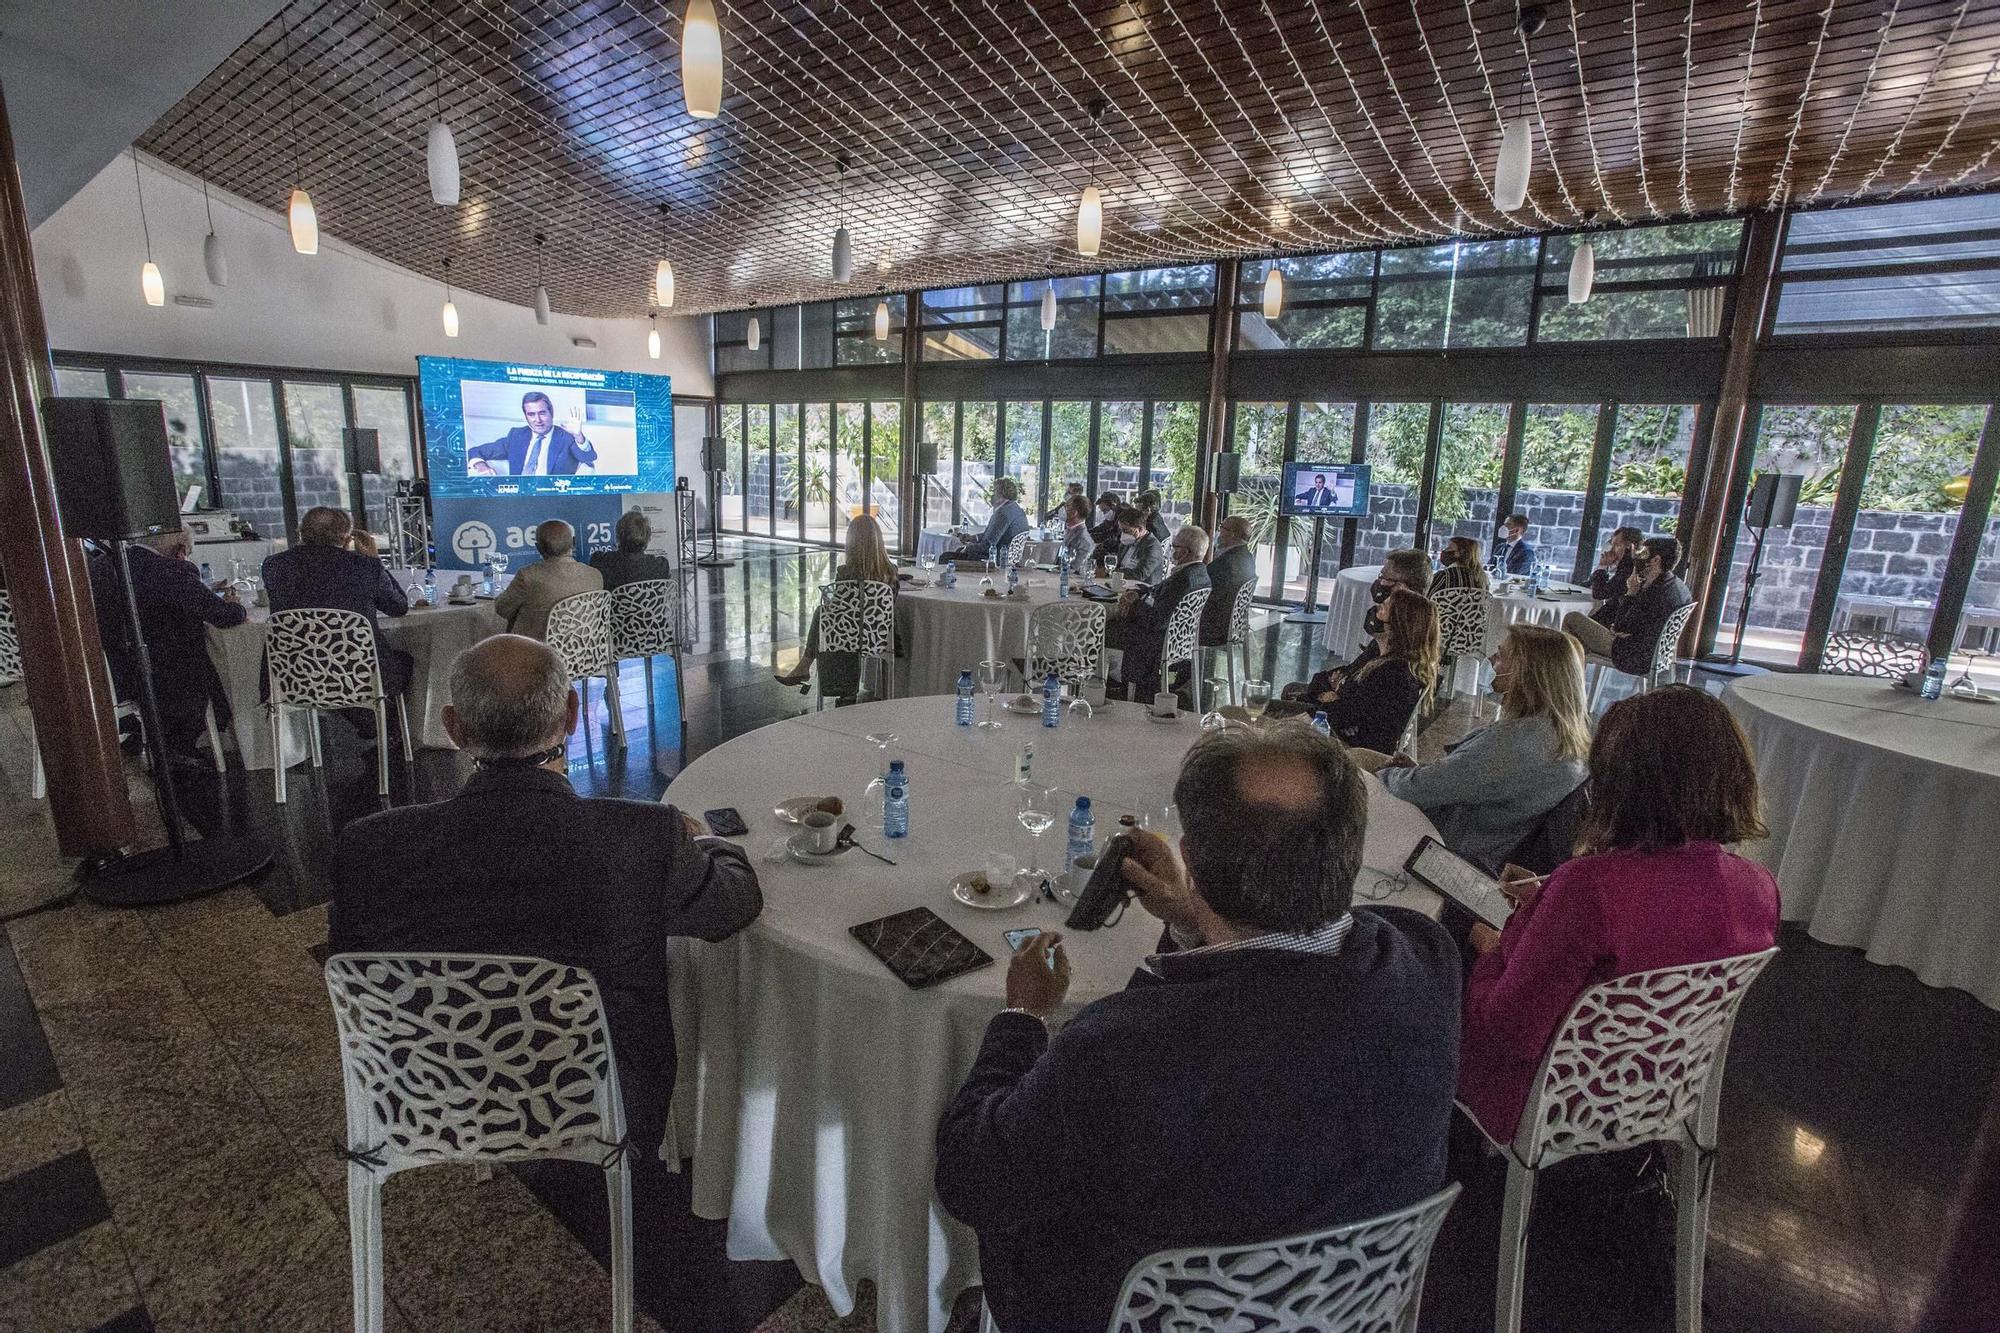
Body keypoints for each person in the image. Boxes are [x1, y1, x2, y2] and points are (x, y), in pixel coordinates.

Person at [934, 726, 1460, 1333]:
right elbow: (1286, 981)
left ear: (1196, 865)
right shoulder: (1424, 954)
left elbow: (972, 1180)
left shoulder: (1123, 1049)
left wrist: (1022, 1017)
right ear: (1346, 849)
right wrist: (1192, 917)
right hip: (1349, 1303)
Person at [327, 634, 762, 1157]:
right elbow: (733, 906)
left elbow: (355, 978)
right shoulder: (643, 836)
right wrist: (710, 842)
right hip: (601, 1101)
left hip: (430, 1096)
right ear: (572, 713)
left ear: (454, 728)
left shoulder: (368, 848)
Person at [1457, 685, 1780, 1145]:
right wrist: (1548, 902)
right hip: (1657, 1086)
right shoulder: (1758, 887)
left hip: (1551, 1101)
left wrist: (1493, 945)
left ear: (1619, 785)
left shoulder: (1588, 890)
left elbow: (1506, 1033)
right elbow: (1658, 931)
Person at [1365, 623, 1591, 870]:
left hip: (1452, 848)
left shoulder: (1518, 743)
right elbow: (1466, 777)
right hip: (1481, 832)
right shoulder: (1560, 732)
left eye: (1501, 656)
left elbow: (1422, 788)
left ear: (1525, 673)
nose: (1492, 660)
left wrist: (1380, 776)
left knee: (1355, 766)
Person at [103, 530, 245, 765]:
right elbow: (222, 616)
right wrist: (235, 606)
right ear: (179, 549)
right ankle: (187, 747)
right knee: (215, 665)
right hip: (164, 679)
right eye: (188, 552)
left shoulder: (108, 564)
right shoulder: (173, 570)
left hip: (115, 674)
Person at [262, 507, 413, 719]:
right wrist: (373, 559)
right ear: (345, 538)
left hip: (293, 678)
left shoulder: (274, 566)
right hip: (357, 678)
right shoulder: (363, 567)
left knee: (332, 667)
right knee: (402, 661)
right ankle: (387, 735)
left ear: (301, 533)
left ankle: (368, 727)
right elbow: (398, 607)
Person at [1268, 587, 1438, 751]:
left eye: (1382, 609)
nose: (1375, 612)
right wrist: (1333, 697)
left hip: (1345, 744)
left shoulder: (1393, 673)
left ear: (1397, 624)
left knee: (1262, 712)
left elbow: (1342, 716)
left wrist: (1334, 697)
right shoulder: (1379, 654)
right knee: (1278, 702)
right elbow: (1335, 681)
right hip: (1333, 724)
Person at [1281, 548, 1430, 703]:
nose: (1378, 582)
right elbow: (1357, 671)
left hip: (1340, 711)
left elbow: (1358, 703)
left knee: (1291, 693)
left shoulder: (1394, 645)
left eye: (1383, 577)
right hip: (1346, 694)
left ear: (1401, 587)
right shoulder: (1413, 632)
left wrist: (1331, 693)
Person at [775, 514, 897, 698]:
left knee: (823, 614)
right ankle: (805, 668)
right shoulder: (891, 572)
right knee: (838, 621)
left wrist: (829, 603)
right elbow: (889, 607)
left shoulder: (845, 572)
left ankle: (806, 666)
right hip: (877, 638)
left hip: (846, 639)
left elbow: (840, 610)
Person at [1563, 534, 1693, 677]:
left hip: (1633, 655)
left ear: (1656, 560)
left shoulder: (1654, 591)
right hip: (1658, 654)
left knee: (1573, 618)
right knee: (1585, 634)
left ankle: (1566, 677)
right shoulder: (1678, 586)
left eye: (1643, 553)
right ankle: (1573, 673)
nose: (1638, 558)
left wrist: (1631, 593)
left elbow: (1620, 626)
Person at [1107, 525, 1210, 699]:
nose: (1171, 551)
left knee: (1102, 629)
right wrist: (1139, 593)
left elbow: (1156, 620)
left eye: (1174, 547)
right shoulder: (1200, 574)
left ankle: (1106, 683)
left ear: (1185, 552)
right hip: (1179, 640)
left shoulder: (1182, 580)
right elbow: (1159, 591)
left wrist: (1134, 605)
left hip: (1153, 642)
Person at [493, 519, 604, 641]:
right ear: (573, 542)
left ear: (538, 547)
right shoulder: (595, 575)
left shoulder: (528, 576)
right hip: (585, 651)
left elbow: (502, 609)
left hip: (538, 654)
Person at [466, 391, 599, 477]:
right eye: (531, 414)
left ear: (551, 412)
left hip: (554, 498)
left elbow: (588, 457)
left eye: (542, 413)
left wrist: (578, 436)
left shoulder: (566, 437)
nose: (538, 420)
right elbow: (475, 451)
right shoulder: (516, 436)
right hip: (518, 498)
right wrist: (481, 466)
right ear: (526, 416)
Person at [1199, 515, 1257, 648]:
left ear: (1231, 534)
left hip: (1214, 628)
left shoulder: (1226, 563)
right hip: (1234, 624)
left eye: (1221, 528)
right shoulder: (1246, 557)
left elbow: (1203, 591)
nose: (1218, 532)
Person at [945, 477, 1028, 564]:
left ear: (1001, 494)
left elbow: (988, 546)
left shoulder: (1002, 514)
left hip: (994, 560)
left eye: (995, 491)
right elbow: (994, 534)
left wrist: (968, 547)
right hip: (1009, 558)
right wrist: (973, 538)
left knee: (945, 557)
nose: (992, 495)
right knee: (955, 552)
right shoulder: (1016, 510)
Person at [589, 510, 673, 589]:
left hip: (615, 605)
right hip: (652, 605)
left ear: (618, 536)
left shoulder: (600, 561)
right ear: (648, 537)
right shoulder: (661, 566)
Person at [1110, 505, 1168, 586]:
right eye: (1121, 530)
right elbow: (1118, 564)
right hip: (1122, 584)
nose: (1123, 534)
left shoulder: (1152, 546)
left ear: (1140, 529)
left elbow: (1140, 574)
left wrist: (1112, 572)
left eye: (1126, 530)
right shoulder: (1126, 542)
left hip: (1142, 589)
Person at [1585, 526, 1643, 604]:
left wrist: (1603, 566)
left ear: (1630, 547)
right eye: (1612, 545)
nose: (1611, 550)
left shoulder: (1629, 569)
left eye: (1616, 545)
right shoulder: (1623, 566)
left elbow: (1599, 594)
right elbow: (1589, 583)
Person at [1058, 495, 1094, 570]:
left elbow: (1075, 568)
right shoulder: (1071, 531)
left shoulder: (1083, 539)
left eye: (1066, 507)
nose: (1062, 510)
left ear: (1074, 512)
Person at [1088, 493, 1122, 564]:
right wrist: (1087, 532)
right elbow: (1103, 527)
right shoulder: (1113, 515)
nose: (1104, 513)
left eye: (1105, 510)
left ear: (1113, 505)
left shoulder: (1122, 517)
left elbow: (1113, 535)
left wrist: (1093, 538)